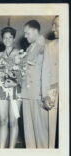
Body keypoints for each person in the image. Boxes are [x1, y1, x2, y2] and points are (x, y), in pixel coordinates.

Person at [22, 20, 51, 148]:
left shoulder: (44, 45)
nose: (25, 36)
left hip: (37, 93)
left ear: (35, 31)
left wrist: (44, 94)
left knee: (40, 134)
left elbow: (46, 70)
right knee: (29, 133)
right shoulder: (29, 48)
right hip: (26, 93)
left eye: (27, 33)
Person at [0, 27, 22, 148]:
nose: (7, 40)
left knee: (13, 121)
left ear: (14, 38)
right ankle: (1, 150)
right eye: (5, 37)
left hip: (15, 88)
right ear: (2, 39)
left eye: (10, 37)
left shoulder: (19, 53)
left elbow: (23, 74)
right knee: (2, 120)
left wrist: (14, 81)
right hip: (1, 88)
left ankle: (11, 151)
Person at [45, 16, 59, 148]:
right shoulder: (49, 46)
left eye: (56, 25)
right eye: (53, 25)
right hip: (53, 90)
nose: (53, 28)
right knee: (51, 127)